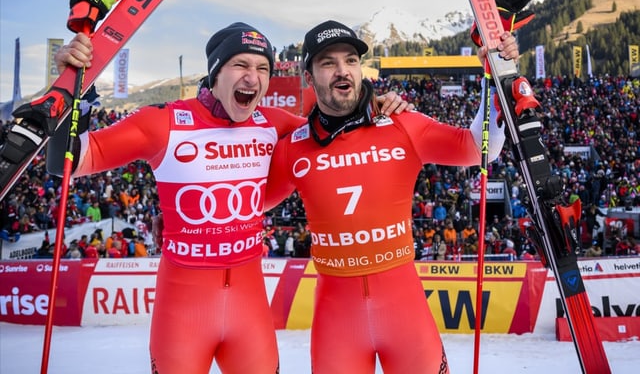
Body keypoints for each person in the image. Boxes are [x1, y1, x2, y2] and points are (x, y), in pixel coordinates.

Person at [52, 21, 410, 372]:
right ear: (216, 72)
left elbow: (340, 126)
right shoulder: (163, 123)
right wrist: (70, 89)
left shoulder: (276, 123)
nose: (252, 77)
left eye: (262, 68)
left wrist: (378, 104)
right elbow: (68, 161)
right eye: (240, 64)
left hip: (249, 312)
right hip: (182, 314)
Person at [265, 19, 520, 373]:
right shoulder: (294, 148)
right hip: (337, 324)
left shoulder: (400, 123)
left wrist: (498, 76)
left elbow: (479, 148)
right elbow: (250, 202)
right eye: (328, 63)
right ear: (309, 78)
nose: (343, 71)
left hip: (405, 316)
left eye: (351, 60)